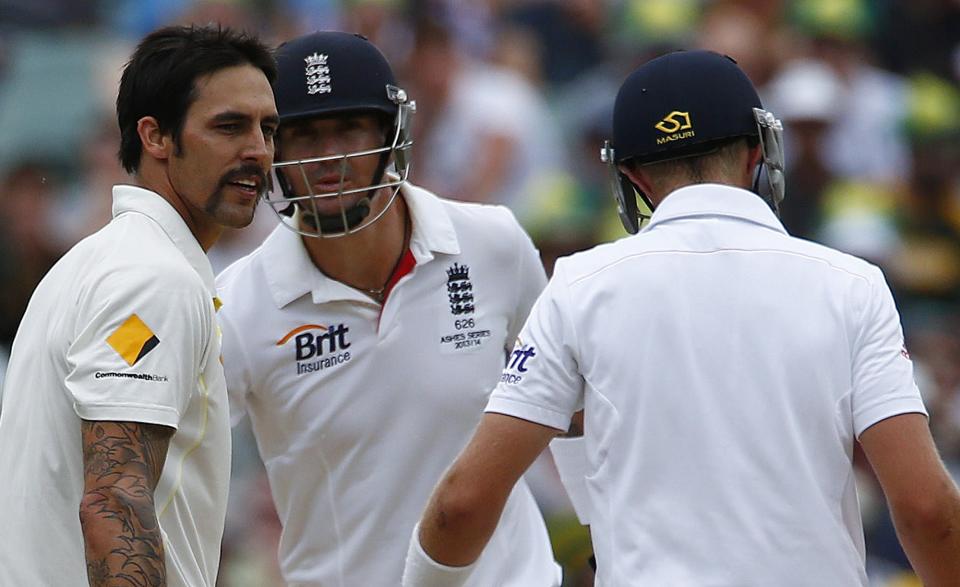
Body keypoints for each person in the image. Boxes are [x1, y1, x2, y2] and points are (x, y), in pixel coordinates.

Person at [403, 50, 960, 586]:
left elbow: (463, 504)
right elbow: (926, 509)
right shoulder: (852, 286)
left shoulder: (580, 286)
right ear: (756, 152)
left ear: (634, 177)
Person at [214, 31, 561, 586]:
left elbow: (567, 407)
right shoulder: (236, 307)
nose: (329, 158)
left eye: (350, 128)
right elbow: (179, 470)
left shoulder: (494, 243)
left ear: (391, 130)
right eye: (304, 135)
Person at [0, 25, 278, 586]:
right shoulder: (153, 281)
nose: (258, 150)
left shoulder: (106, 262)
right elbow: (114, 502)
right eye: (229, 126)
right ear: (155, 137)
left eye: (268, 129)